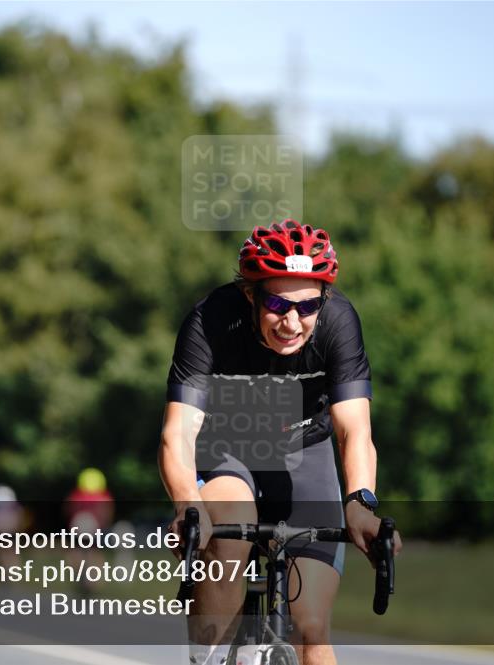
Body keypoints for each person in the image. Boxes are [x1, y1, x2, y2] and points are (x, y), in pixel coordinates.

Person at [159, 219, 402, 665]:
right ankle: (207, 657)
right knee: (227, 533)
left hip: (305, 450)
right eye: (277, 304)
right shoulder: (209, 321)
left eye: (308, 307)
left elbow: (355, 431)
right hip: (228, 447)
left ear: (323, 301)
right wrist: (187, 504)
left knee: (311, 627)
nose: (292, 322)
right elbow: (177, 433)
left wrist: (361, 503)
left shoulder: (339, 322)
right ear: (250, 294)